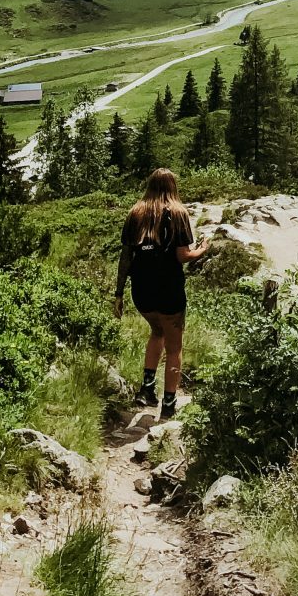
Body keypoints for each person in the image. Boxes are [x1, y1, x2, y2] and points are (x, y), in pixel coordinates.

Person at [114, 167, 209, 414]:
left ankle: (147, 389)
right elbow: (183, 255)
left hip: (142, 291)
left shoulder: (135, 212)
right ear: (173, 186)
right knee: (175, 347)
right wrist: (202, 249)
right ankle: (168, 403)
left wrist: (118, 293)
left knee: (157, 332)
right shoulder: (178, 213)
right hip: (169, 289)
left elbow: (126, 257)